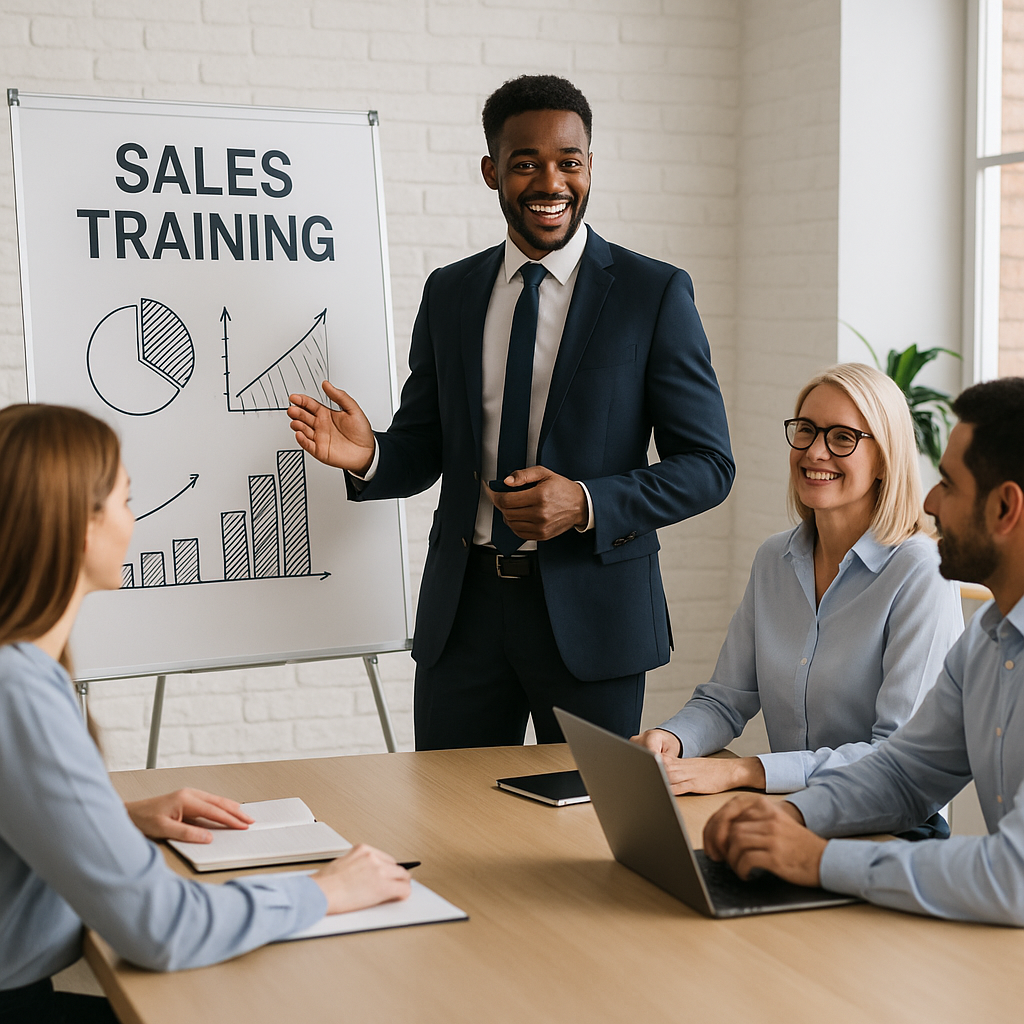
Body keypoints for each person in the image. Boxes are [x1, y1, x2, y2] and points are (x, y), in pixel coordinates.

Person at [288, 74, 734, 750]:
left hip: (594, 620)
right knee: (448, 829)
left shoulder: (653, 294)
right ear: (492, 171)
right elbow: (425, 445)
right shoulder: (451, 293)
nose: (551, 181)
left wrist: (584, 501)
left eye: (569, 162)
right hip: (462, 617)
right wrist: (370, 455)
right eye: (526, 163)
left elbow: (708, 466)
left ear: (589, 168)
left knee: (583, 835)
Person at [0, 404, 411, 1022]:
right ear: (77, 526)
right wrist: (322, 891)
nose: (135, 524)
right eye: (127, 502)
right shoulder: (18, 691)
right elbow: (161, 927)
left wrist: (115, 819)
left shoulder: (19, 670)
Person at [702, 376, 1024, 926]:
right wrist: (786, 819)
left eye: (948, 483)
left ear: (1005, 509)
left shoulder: (920, 575)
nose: (928, 500)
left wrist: (821, 858)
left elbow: (1013, 876)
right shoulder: (987, 641)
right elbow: (903, 774)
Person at [634, 364, 963, 804]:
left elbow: (897, 755)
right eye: (806, 430)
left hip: (890, 828)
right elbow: (725, 700)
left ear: (885, 459)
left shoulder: (921, 572)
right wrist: (671, 739)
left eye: (842, 437)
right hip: (791, 813)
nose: (815, 452)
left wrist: (744, 770)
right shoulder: (774, 560)